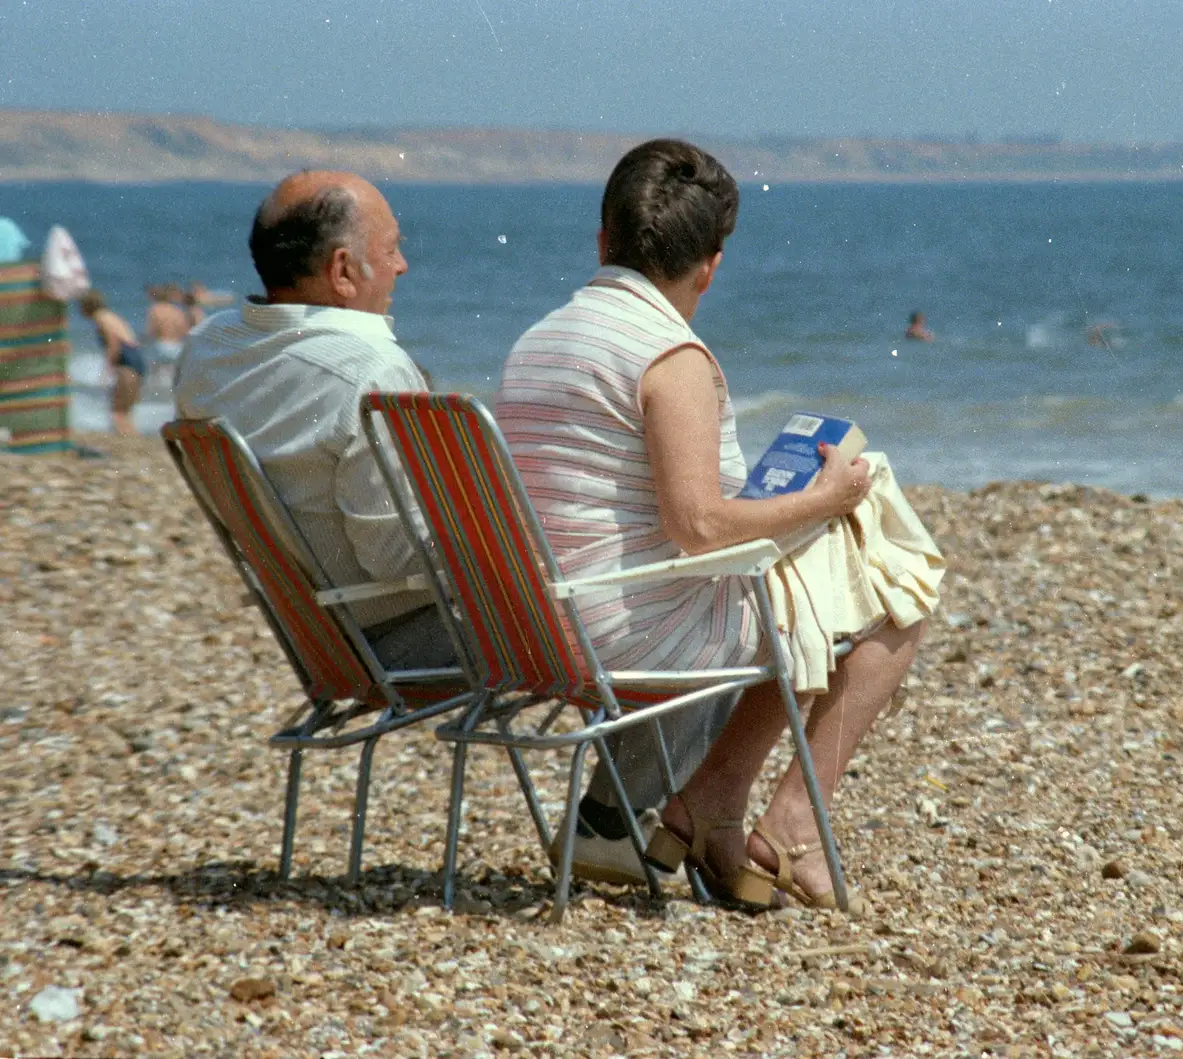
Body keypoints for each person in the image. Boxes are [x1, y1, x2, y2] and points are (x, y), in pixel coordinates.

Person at [496, 139, 934, 910]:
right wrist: (826, 499)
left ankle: (712, 810)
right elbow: (697, 525)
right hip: (629, 631)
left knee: (828, 576)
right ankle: (793, 829)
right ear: (711, 265)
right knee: (898, 587)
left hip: (536, 622)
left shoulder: (538, 342)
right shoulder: (670, 354)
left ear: (604, 243)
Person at [175, 170, 451, 672]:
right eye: (391, 250)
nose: (402, 266)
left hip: (315, 640)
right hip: (405, 638)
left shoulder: (205, 350)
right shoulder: (372, 371)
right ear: (343, 270)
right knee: (624, 626)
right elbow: (397, 558)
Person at [78, 290, 145, 435]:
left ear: (86, 306)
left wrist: (107, 368)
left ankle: (128, 442)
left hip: (127, 363)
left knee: (118, 411)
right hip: (136, 362)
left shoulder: (101, 318)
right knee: (125, 411)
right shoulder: (110, 316)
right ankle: (132, 440)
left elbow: (113, 343)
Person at [144, 283, 190, 386]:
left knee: (154, 376)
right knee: (176, 376)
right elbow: (185, 332)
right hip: (177, 347)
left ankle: (154, 398)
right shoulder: (177, 310)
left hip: (161, 346)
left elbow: (150, 331)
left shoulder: (155, 309)